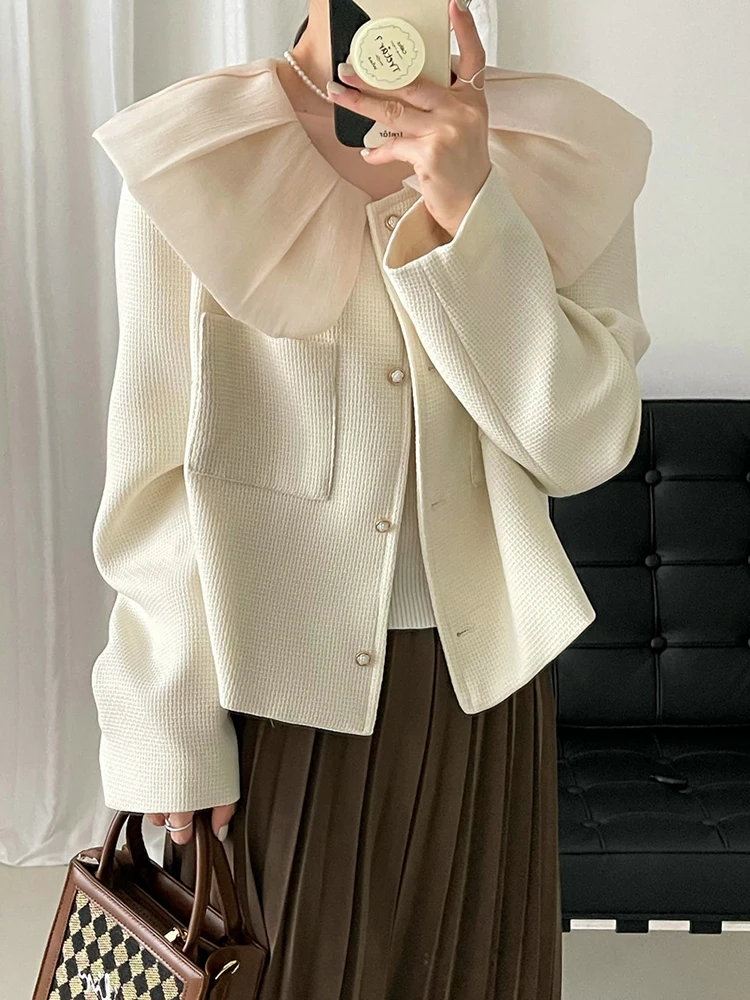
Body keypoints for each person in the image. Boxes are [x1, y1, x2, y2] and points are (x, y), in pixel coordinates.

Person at [89, 0, 652, 995]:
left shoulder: (563, 148)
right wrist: (166, 727)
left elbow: (582, 443)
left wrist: (473, 210)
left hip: (482, 695)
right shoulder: (197, 153)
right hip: (266, 699)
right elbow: (157, 481)